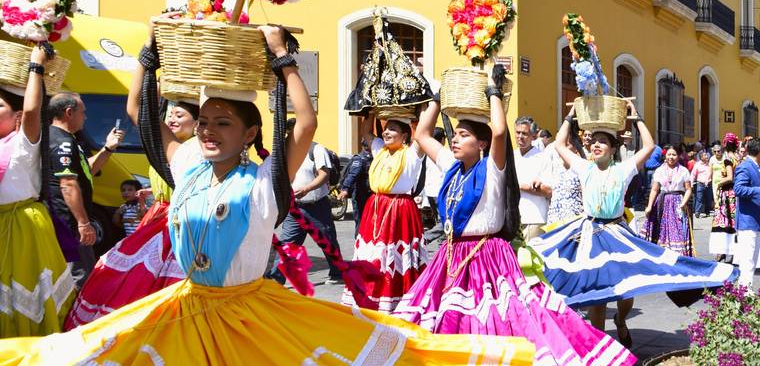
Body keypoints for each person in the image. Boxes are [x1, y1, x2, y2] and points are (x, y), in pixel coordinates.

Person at [0, 25, 535, 364]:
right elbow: (142, 113)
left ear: (251, 132)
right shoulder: (186, 161)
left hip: (248, 315)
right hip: (185, 307)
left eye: (223, 123)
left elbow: (305, 120)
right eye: (203, 121)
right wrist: (148, 57)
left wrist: (282, 59)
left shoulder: (263, 182)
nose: (207, 131)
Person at [395, 74, 633, 365]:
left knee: (495, 320)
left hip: (486, 256)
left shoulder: (492, 170)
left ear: (481, 143)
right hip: (451, 256)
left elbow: (498, 133)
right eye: (455, 135)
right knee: (443, 318)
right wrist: (438, 98)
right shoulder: (451, 167)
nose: (455, 139)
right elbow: (422, 135)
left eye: (464, 135)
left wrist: (494, 92)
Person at [530, 105, 736, 348]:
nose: (596, 145)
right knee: (598, 294)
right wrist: (571, 114)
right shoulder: (584, 167)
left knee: (626, 292)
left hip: (617, 233)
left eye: (603, 142)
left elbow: (649, 146)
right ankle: (601, 346)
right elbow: (560, 144)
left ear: (613, 148)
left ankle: (620, 319)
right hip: (590, 234)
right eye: (593, 142)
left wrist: (636, 116)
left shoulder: (623, 169)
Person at [63, 94, 198, 330]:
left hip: (178, 222)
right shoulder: (165, 147)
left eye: (179, 115)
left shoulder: (194, 151)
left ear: (197, 123)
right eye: (170, 115)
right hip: (157, 216)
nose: (172, 120)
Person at [0, 45, 75, 337]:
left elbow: (33, 109)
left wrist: (36, 66)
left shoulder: (23, 142)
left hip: (24, 229)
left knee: (25, 298)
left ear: (17, 117)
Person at [341, 112, 427, 312]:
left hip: (400, 209)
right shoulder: (380, 150)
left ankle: (397, 298)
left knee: (395, 255)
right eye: (386, 128)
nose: (387, 132)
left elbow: (424, 132)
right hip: (375, 209)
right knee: (374, 253)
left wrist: (425, 109)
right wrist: (370, 111)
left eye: (393, 129)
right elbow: (366, 133)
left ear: (405, 135)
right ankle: (370, 293)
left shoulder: (412, 153)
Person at [45, 93, 124, 288]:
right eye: (83, 112)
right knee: (79, 280)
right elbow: (68, 184)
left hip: (68, 224)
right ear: (69, 112)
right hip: (68, 225)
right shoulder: (62, 142)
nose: (86, 117)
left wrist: (108, 148)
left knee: (84, 275)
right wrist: (83, 223)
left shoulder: (66, 139)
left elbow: (86, 170)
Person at [269, 119, 343, 286]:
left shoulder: (317, 149)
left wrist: (307, 189)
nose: (290, 135)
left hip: (317, 206)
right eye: (288, 132)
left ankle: (337, 272)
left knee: (327, 240)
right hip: (294, 207)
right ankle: (276, 279)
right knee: (287, 243)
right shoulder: (286, 152)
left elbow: (323, 175)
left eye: (293, 131)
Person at [734, 137, 760, 289]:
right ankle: (744, 290)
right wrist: (759, 190)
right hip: (748, 221)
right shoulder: (745, 167)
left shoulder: (755, 166)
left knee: (752, 258)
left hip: (755, 220)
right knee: (748, 259)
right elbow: (738, 189)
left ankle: (746, 288)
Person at [641, 147, 693, 256]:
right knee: (662, 228)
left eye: (674, 154)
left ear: (678, 156)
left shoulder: (683, 171)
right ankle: (662, 252)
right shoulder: (659, 170)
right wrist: (649, 206)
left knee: (678, 229)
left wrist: (683, 203)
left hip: (678, 203)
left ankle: (678, 254)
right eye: (669, 154)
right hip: (663, 203)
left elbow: (688, 189)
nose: (671, 157)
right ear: (665, 155)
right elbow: (655, 190)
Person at [514, 116, 552, 240]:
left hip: (534, 218)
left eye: (524, 133)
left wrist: (521, 186)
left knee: (531, 258)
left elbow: (549, 191)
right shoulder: (511, 156)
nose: (520, 136)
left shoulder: (542, 158)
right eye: (518, 132)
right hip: (513, 218)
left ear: (533, 136)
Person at [338, 138, 372, 238]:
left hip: (370, 194)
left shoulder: (375, 157)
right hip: (360, 194)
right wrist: (345, 189)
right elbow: (353, 174)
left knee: (366, 220)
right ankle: (359, 241)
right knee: (361, 220)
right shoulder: (360, 158)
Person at [708, 153, 737, 263]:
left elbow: (730, 177)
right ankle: (725, 251)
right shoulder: (736, 158)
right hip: (729, 194)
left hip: (728, 194)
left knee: (726, 222)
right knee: (727, 223)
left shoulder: (729, 159)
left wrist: (719, 182)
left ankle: (727, 252)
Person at [691, 150, 713, 218]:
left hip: (709, 184)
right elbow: (693, 174)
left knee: (709, 198)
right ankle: (697, 212)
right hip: (700, 184)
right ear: (701, 157)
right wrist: (691, 182)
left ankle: (707, 211)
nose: (707, 156)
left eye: (706, 155)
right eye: (705, 155)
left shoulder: (710, 164)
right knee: (699, 198)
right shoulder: (697, 165)